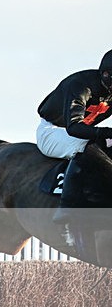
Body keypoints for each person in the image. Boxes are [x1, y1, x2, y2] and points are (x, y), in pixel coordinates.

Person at [36, 49, 112, 231]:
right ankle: (67, 206)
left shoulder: (109, 87)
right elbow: (74, 128)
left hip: (81, 133)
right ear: (106, 75)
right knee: (90, 148)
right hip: (53, 131)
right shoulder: (80, 86)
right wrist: (107, 132)